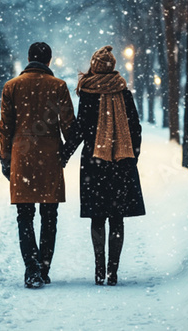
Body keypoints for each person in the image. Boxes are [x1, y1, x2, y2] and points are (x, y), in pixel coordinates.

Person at [61, 45, 145, 286]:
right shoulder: (123, 91)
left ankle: (99, 270)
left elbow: (80, 129)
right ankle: (113, 271)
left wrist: (64, 154)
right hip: (121, 162)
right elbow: (135, 128)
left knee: (98, 217)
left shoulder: (88, 92)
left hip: (94, 162)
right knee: (117, 216)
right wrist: (131, 156)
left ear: (94, 66)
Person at [0, 42, 75, 289]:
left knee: (24, 216)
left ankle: (31, 269)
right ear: (49, 61)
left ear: (29, 58)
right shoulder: (59, 87)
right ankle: (43, 268)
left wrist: (5, 157)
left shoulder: (11, 87)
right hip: (50, 158)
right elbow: (71, 128)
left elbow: (5, 128)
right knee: (49, 216)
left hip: (22, 159)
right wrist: (63, 154)